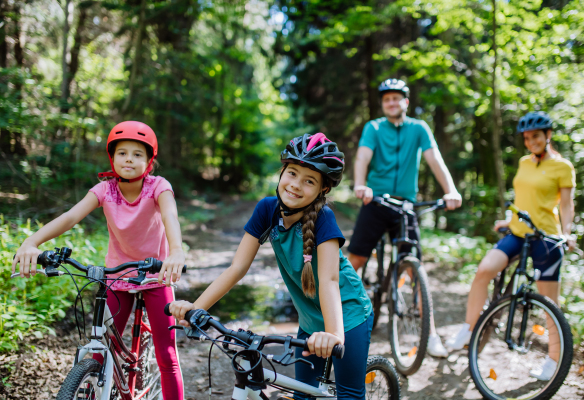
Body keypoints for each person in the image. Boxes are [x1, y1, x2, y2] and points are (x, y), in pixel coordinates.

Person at [169, 133, 373, 400]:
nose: (296, 185)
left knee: (349, 394)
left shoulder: (324, 219)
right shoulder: (267, 210)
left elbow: (331, 281)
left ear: (323, 189)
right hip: (310, 320)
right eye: (292, 173)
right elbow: (237, 268)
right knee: (303, 395)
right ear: (282, 172)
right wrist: (196, 309)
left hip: (347, 315)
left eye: (309, 180)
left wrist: (334, 333)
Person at [12, 121, 186, 399]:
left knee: (167, 356)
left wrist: (176, 250)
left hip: (155, 275)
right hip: (118, 276)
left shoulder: (158, 187)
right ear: (112, 158)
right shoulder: (105, 190)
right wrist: (31, 242)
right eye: (122, 153)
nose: (129, 158)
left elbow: (170, 216)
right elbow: (70, 217)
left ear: (150, 161)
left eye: (138, 154)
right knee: (100, 350)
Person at [445, 111, 576, 380]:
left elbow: (566, 204)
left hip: (546, 236)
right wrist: (509, 219)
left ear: (548, 136)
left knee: (550, 301)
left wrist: (567, 233)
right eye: (527, 138)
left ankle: (553, 361)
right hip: (517, 232)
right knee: (483, 271)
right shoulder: (524, 162)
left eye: (536, 137)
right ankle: (469, 330)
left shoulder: (563, 167)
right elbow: (523, 197)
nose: (531, 142)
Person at [349, 78, 462, 358]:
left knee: (414, 269)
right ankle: (337, 318)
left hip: (406, 206)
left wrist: (451, 190)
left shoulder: (419, 128)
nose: (391, 103)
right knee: (356, 260)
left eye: (396, 98)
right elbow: (363, 157)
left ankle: (430, 334)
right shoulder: (373, 127)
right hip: (375, 201)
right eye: (386, 99)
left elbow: (435, 159)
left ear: (405, 102)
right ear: (383, 103)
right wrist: (360, 184)